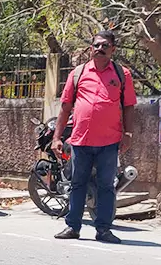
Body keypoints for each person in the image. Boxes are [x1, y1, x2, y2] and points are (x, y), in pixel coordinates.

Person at [51, 30, 137, 243]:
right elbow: (65, 107)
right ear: (91, 48)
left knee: (107, 186)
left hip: (109, 141)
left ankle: (104, 230)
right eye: (97, 45)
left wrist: (127, 134)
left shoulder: (121, 74)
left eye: (105, 46)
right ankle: (73, 227)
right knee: (77, 184)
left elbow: (128, 107)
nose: (100, 49)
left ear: (113, 50)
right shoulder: (78, 73)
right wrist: (57, 137)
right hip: (81, 140)